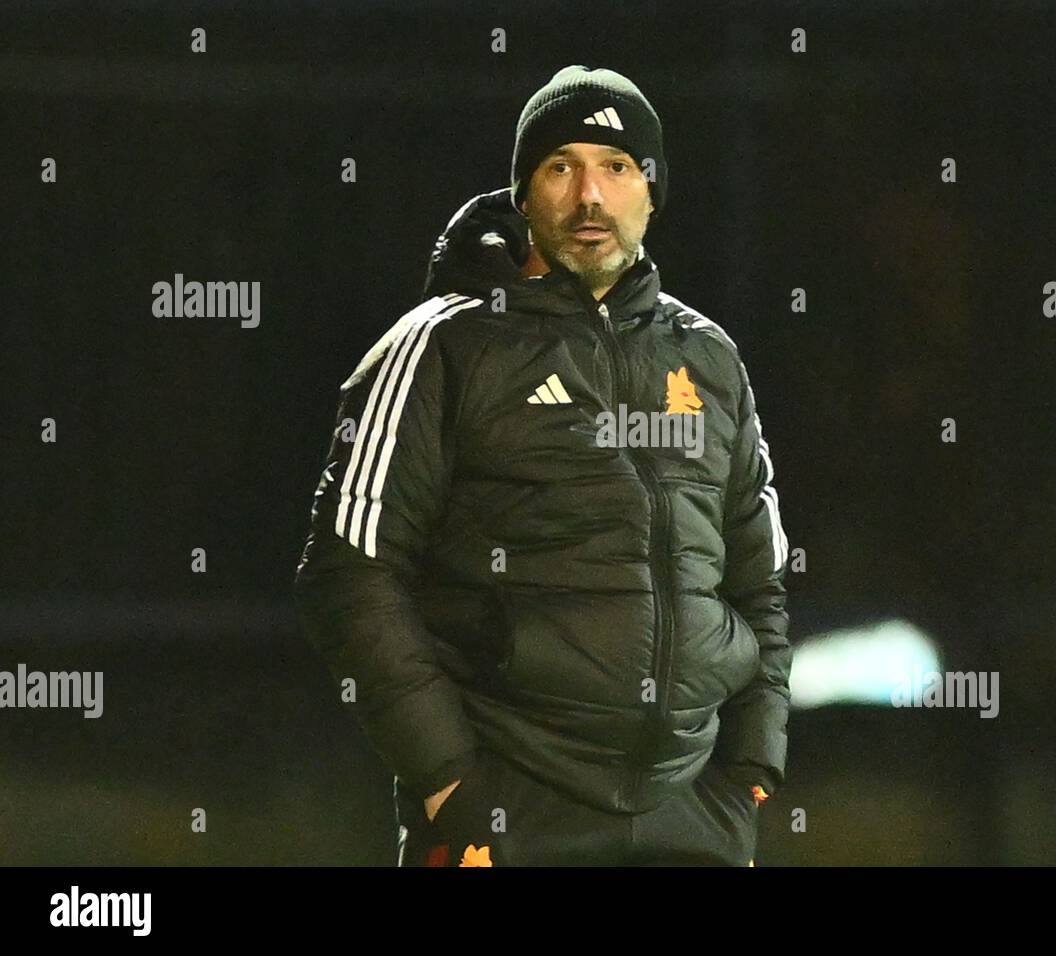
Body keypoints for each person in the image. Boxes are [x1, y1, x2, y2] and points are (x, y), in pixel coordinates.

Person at [294, 65, 791, 866]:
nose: (590, 195)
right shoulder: (443, 345)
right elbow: (347, 571)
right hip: (510, 808)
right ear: (524, 194)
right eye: (561, 167)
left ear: (652, 192)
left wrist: (753, 764)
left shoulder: (709, 358)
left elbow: (758, 581)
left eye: (617, 167)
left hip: (695, 812)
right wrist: (450, 780)